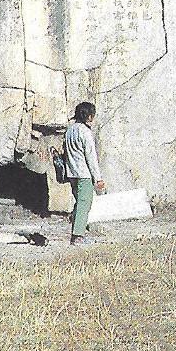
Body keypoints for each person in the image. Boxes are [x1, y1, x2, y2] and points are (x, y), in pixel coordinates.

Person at [64, 101, 105, 244]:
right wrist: (98, 178)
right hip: (84, 174)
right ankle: (78, 236)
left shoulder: (69, 131)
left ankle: (77, 223)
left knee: (79, 202)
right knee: (84, 203)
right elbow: (91, 158)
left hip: (72, 173)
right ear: (88, 116)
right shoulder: (85, 132)